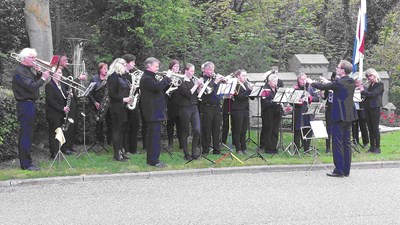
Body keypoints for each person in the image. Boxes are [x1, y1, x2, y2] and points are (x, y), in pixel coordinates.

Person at [311, 60, 358, 177]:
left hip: (339, 116)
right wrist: (329, 82)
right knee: (347, 143)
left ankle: (339, 170)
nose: (336, 69)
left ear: (342, 70)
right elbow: (334, 85)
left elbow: (324, 86)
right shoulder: (351, 81)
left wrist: (311, 82)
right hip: (349, 116)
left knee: (337, 143)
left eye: (338, 67)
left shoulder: (339, 83)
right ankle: (346, 170)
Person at [12, 48, 50, 170]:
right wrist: (43, 78)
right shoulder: (19, 71)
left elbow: (34, 81)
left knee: (29, 134)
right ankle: (26, 164)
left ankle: (28, 162)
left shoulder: (27, 70)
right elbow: (31, 87)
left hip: (30, 104)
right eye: (32, 58)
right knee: (25, 135)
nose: (35, 60)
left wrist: (39, 74)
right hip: (25, 105)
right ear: (25, 58)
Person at [140, 57, 172, 168]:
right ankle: (153, 161)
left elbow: (160, 90)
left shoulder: (152, 77)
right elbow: (157, 87)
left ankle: (153, 159)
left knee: (155, 137)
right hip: (152, 112)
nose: (158, 68)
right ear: (149, 66)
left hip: (156, 111)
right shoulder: (146, 78)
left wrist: (168, 82)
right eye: (156, 66)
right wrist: (167, 78)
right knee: (154, 138)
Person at [59, 54, 87, 153]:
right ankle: (64, 147)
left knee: (73, 124)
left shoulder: (66, 70)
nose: (67, 61)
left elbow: (70, 83)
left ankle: (70, 145)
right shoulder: (59, 71)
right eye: (64, 60)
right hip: (66, 101)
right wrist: (78, 78)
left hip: (73, 100)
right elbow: (66, 83)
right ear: (59, 61)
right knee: (68, 124)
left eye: (67, 59)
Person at [107, 58, 133, 162]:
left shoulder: (121, 76)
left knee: (122, 130)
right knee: (117, 130)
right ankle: (117, 154)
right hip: (116, 107)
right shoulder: (113, 76)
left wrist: (129, 99)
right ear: (117, 64)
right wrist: (123, 99)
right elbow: (112, 94)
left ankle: (121, 151)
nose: (125, 65)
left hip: (123, 107)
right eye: (123, 64)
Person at [175, 63, 202, 160]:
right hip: (184, 108)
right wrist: (196, 85)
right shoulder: (180, 81)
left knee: (197, 130)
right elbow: (188, 93)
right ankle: (186, 153)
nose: (193, 73)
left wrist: (200, 88)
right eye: (191, 71)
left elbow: (196, 94)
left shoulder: (192, 81)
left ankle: (194, 151)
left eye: (193, 71)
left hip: (194, 107)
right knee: (185, 131)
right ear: (186, 71)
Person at [45, 67, 73, 158]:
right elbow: (51, 101)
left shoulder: (61, 84)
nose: (61, 74)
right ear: (53, 74)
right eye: (59, 72)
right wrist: (62, 108)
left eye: (61, 72)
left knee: (59, 132)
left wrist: (69, 94)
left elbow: (63, 95)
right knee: (54, 132)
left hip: (61, 113)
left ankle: (59, 150)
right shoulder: (49, 85)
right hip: (53, 113)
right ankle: (53, 153)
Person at [199, 61, 224, 155]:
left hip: (217, 107)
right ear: (204, 70)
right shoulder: (202, 79)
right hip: (207, 107)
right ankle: (205, 150)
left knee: (217, 129)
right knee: (207, 129)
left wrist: (223, 82)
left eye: (213, 69)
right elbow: (206, 91)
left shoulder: (214, 79)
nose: (212, 71)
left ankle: (217, 150)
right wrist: (215, 81)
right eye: (209, 69)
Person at [357, 68, 384, 154]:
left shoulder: (380, 84)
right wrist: (360, 90)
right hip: (367, 107)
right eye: (368, 77)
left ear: (375, 74)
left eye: (370, 76)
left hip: (375, 107)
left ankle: (378, 147)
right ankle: (372, 146)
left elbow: (373, 94)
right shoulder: (370, 85)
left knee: (375, 128)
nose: (369, 78)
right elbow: (366, 95)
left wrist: (362, 90)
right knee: (370, 128)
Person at [293, 73, 319, 154]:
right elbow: (291, 102)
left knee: (308, 129)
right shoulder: (295, 88)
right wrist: (299, 101)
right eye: (301, 79)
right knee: (298, 130)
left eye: (305, 79)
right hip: (299, 111)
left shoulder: (310, 88)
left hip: (308, 111)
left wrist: (309, 98)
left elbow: (317, 98)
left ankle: (306, 149)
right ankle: (296, 148)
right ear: (298, 80)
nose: (303, 81)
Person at [122, 54, 141, 155]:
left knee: (135, 125)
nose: (134, 64)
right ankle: (126, 149)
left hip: (134, 102)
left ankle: (133, 149)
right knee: (126, 127)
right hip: (125, 103)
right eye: (133, 62)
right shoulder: (122, 74)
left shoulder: (132, 74)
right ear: (127, 63)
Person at [230, 69, 252, 154]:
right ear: (238, 76)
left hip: (245, 109)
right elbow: (239, 97)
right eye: (243, 75)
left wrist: (252, 90)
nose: (245, 77)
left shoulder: (245, 84)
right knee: (237, 130)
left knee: (244, 129)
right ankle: (238, 149)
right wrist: (249, 90)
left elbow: (251, 97)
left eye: (246, 75)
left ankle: (244, 148)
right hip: (237, 109)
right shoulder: (235, 85)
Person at [88, 62, 111, 145]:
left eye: (107, 68)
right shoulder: (94, 79)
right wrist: (95, 102)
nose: (106, 70)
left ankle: (109, 141)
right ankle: (99, 140)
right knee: (99, 123)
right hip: (98, 104)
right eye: (104, 68)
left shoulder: (109, 79)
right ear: (100, 69)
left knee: (110, 122)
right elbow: (89, 93)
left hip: (108, 104)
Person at [260, 74, 282, 154]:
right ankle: (268, 148)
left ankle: (274, 147)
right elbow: (264, 103)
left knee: (275, 130)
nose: (275, 83)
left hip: (276, 112)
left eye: (276, 81)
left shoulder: (277, 90)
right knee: (269, 129)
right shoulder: (265, 90)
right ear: (269, 82)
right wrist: (274, 102)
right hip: (268, 113)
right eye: (273, 81)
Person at [166, 59, 182, 149]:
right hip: (171, 102)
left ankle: (181, 143)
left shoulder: (180, 76)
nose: (177, 68)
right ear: (171, 67)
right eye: (175, 66)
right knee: (170, 123)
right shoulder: (168, 76)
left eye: (178, 66)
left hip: (179, 102)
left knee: (180, 123)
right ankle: (170, 142)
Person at [321, 72, 337, 153]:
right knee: (329, 128)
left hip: (337, 109)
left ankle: (336, 146)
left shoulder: (339, 86)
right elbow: (325, 97)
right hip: (329, 108)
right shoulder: (329, 85)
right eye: (334, 78)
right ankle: (328, 147)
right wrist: (321, 93)